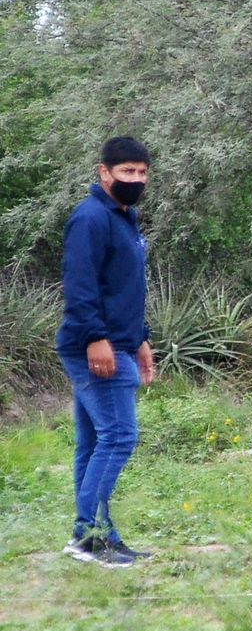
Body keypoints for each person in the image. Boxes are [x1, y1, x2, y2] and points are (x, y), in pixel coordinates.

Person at [56, 136, 158, 568]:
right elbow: (80, 285)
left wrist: (141, 338)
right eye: (126, 172)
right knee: (119, 437)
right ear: (104, 173)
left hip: (121, 343)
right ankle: (88, 537)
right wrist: (97, 337)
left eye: (141, 172)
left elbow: (124, 288)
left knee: (94, 441)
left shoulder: (124, 216)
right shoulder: (91, 218)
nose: (135, 179)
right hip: (96, 348)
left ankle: (99, 536)